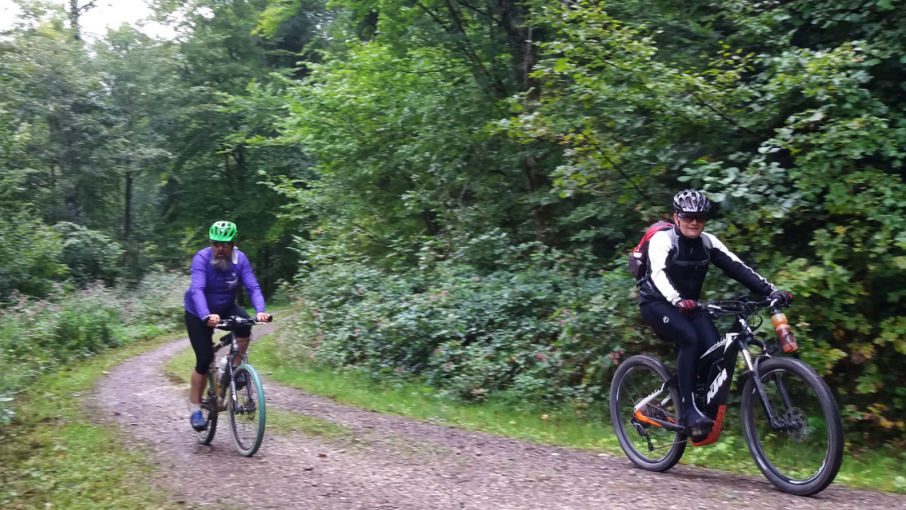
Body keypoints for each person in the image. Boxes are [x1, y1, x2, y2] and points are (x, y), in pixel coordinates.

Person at [637, 189, 792, 433]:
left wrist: (771, 291)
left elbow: (738, 268)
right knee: (689, 338)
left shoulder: (707, 242)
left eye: (700, 217)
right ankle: (687, 409)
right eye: (688, 216)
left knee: (714, 350)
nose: (694, 222)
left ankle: (696, 398)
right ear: (676, 217)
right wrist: (678, 300)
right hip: (656, 303)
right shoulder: (663, 241)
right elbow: (658, 274)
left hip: (688, 304)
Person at [184, 220, 269, 430]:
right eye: (215, 244)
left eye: (224, 245)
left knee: (245, 325)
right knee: (204, 360)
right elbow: (197, 290)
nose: (219, 249)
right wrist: (205, 315)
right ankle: (195, 409)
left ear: (233, 244)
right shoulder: (202, 258)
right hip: (198, 312)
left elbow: (253, 287)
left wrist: (260, 311)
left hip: (226, 307)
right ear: (211, 244)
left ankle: (233, 367)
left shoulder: (240, 260)